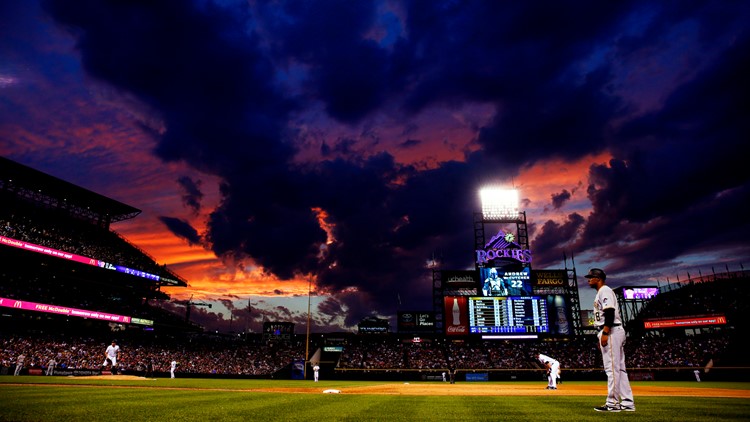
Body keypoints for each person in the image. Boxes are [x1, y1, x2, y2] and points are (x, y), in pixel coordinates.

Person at [586, 268, 635, 412]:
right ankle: (627, 402)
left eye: (591, 277)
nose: (589, 280)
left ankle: (612, 403)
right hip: (612, 330)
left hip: (612, 330)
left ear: (598, 278)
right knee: (619, 368)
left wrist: (606, 331)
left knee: (612, 369)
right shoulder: (602, 292)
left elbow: (609, 311)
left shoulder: (604, 290)